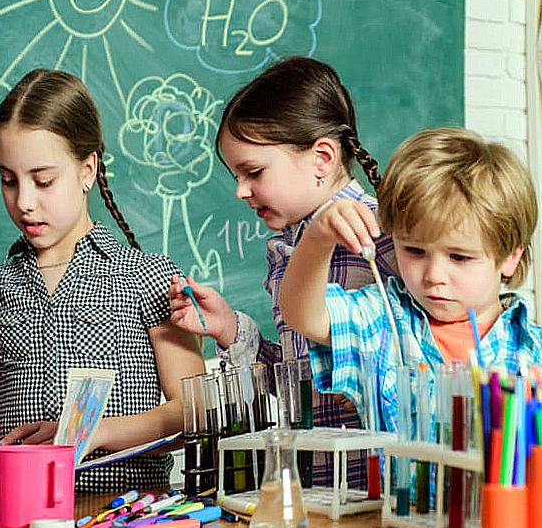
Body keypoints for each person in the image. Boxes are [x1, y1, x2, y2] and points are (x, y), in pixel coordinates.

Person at [278, 127, 542, 504]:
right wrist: (318, 238)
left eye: (459, 257)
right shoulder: (382, 323)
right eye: (415, 251)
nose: (434, 275)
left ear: (509, 257)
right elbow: (302, 314)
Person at [0, 68, 205, 491]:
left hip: (124, 517)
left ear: (87, 170)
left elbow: (196, 410)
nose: (24, 202)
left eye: (43, 180)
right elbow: (1, 424)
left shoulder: (150, 278)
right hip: (22, 516)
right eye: (7, 180)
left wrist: (92, 432)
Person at [167, 56, 393, 487]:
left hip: (371, 487)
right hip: (319, 487)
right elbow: (304, 378)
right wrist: (230, 328)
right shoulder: (289, 245)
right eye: (237, 175)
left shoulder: (381, 241)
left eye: (254, 172)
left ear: (322, 158)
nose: (239, 191)